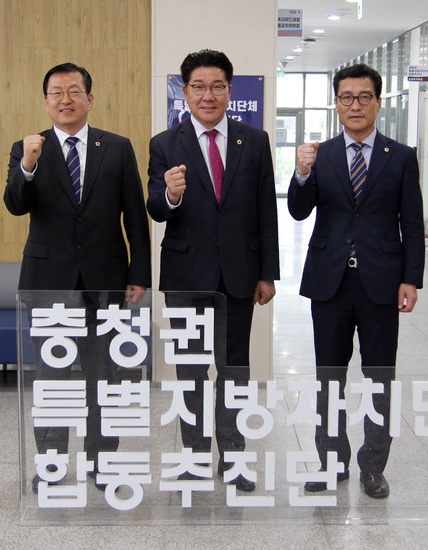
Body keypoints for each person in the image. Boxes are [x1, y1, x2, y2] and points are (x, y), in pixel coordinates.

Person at [4, 62, 151, 492]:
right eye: (56, 92)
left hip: (105, 283)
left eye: (74, 91)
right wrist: (27, 165)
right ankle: (50, 464)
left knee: (104, 376)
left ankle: (103, 463)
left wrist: (139, 273)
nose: (65, 99)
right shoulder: (28, 148)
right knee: (52, 380)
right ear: (45, 101)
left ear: (90, 98)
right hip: (48, 283)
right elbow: (15, 204)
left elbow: (134, 216)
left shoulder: (117, 147)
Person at [287, 63, 425, 499]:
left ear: (378, 103)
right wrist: (301, 173)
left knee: (379, 379)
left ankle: (373, 467)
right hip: (329, 282)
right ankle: (332, 463)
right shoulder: (321, 154)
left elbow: (411, 222)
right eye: (346, 97)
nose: (355, 105)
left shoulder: (400, 157)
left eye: (364, 97)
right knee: (329, 378)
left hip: (381, 282)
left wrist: (411, 279)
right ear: (336, 103)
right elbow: (298, 211)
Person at [147, 49, 280, 493]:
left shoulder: (254, 140)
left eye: (217, 86)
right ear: (185, 92)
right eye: (199, 87)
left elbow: (266, 210)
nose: (209, 95)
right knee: (190, 372)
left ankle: (234, 455)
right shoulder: (165, 144)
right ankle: (194, 456)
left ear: (230, 90)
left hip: (239, 275)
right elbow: (155, 208)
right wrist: (170, 195)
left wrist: (268, 272)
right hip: (186, 277)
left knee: (235, 369)